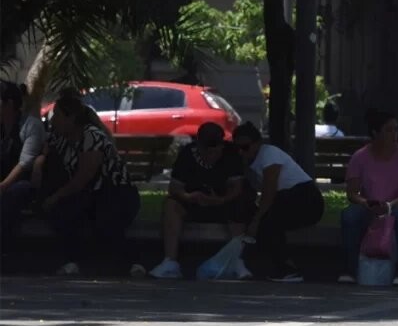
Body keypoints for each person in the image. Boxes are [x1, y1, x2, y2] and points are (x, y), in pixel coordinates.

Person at [41, 95, 144, 277]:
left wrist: (57, 196)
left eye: (57, 115)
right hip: (90, 195)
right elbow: (47, 158)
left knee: (106, 217)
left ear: (71, 118)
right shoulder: (61, 139)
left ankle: (133, 263)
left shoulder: (91, 136)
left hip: (116, 192)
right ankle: (71, 261)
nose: (53, 120)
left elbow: (84, 177)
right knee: (63, 212)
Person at [149, 122, 255, 279]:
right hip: (195, 203)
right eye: (208, 152)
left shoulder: (230, 154)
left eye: (216, 151)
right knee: (172, 204)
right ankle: (170, 261)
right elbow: (175, 187)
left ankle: (237, 260)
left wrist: (221, 199)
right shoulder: (188, 154)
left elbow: (237, 187)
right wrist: (188, 196)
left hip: (223, 203)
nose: (212, 156)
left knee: (239, 204)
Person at [233, 122, 324, 282]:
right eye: (238, 148)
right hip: (287, 199)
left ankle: (288, 268)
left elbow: (269, 190)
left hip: (305, 199)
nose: (241, 152)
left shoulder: (269, 154)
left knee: (267, 220)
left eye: (245, 147)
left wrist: (257, 219)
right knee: (266, 221)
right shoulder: (251, 163)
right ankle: (270, 264)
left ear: (257, 143)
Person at [338, 109, 398, 286]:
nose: (394, 134)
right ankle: (349, 271)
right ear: (375, 133)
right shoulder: (360, 157)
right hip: (370, 206)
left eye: (396, 130)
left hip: (396, 206)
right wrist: (365, 203)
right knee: (350, 215)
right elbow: (352, 193)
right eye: (389, 130)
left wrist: (389, 206)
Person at [0, 81, 45, 249]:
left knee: (13, 194)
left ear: (9, 104)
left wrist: (3, 186)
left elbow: (25, 162)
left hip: (25, 183)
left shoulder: (30, 125)